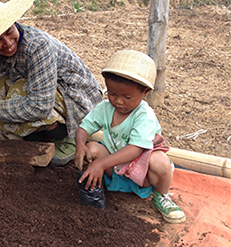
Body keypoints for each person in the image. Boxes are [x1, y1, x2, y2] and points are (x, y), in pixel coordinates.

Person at [0, 0, 103, 165]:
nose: (8, 43)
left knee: (19, 90)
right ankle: (31, 135)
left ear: (14, 23)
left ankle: (68, 138)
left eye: (9, 32)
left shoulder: (37, 46)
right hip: (40, 91)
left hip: (76, 97)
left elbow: (40, 106)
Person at [75, 50, 186, 223]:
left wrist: (101, 163)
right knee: (91, 148)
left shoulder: (144, 116)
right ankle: (95, 187)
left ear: (145, 92)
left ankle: (161, 196)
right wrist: (80, 144)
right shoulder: (105, 108)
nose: (119, 101)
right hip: (115, 165)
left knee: (161, 162)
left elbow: (135, 150)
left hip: (142, 170)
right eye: (112, 94)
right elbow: (84, 128)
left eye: (127, 97)